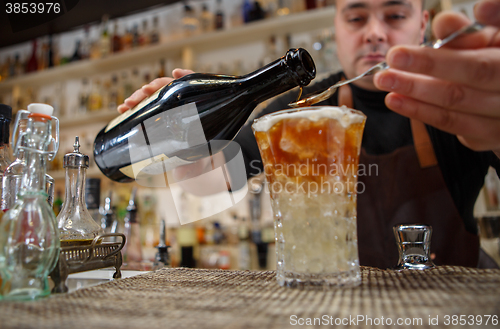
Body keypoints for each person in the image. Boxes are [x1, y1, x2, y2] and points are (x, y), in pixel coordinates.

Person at [118, 0, 500, 269]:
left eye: (395, 14)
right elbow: (208, 181)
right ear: (335, 26)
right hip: (336, 305)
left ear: (423, 22)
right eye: (355, 17)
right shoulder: (301, 111)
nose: (374, 33)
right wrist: (177, 141)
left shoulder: (463, 98)